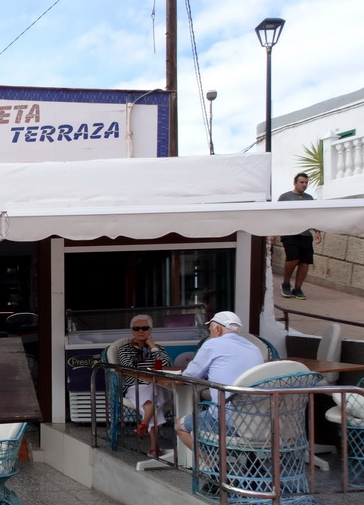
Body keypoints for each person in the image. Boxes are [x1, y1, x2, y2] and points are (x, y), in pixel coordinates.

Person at [175, 311, 262, 452]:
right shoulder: (255, 348)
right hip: (258, 422)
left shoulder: (213, 344)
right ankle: (223, 463)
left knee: (180, 425)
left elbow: (190, 376)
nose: (210, 334)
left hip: (227, 421)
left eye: (210, 330)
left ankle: (211, 466)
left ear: (218, 329)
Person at [117, 314, 173, 458]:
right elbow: (128, 367)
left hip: (159, 386)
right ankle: (154, 447)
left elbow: (165, 365)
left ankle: (144, 423)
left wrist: (153, 348)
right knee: (152, 398)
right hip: (136, 386)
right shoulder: (125, 349)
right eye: (136, 328)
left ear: (150, 330)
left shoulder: (158, 348)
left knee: (154, 389)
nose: (140, 331)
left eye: (144, 328)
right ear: (132, 331)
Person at [275, 172, 323, 299]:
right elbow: (277, 215)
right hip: (289, 233)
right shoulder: (285, 197)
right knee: (293, 258)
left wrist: (317, 231)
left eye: (306, 182)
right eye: (301, 182)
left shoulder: (309, 198)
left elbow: (312, 215)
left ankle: (297, 288)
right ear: (295, 183)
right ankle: (286, 284)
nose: (304, 185)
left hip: (305, 234)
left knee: (305, 262)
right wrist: (272, 233)